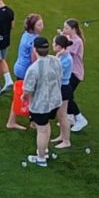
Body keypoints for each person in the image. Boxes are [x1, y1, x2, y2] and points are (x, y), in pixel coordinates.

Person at [21, 37, 62, 168]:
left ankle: (41, 158)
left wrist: (23, 97)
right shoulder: (56, 60)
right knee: (46, 126)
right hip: (55, 101)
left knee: (42, 130)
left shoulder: (33, 68)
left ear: (34, 49)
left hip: (41, 105)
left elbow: (27, 89)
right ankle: (45, 150)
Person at [8, 13, 43, 130]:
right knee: (25, 95)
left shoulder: (26, 35)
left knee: (24, 95)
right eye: (39, 24)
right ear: (32, 27)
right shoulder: (35, 39)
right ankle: (17, 121)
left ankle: (31, 120)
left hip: (19, 67)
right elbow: (34, 59)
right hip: (25, 71)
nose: (42, 26)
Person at [62, 18, 88, 132]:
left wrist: (60, 40)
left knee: (67, 96)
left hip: (75, 73)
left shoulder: (77, 41)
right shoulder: (70, 38)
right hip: (70, 72)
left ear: (73, 29)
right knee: (67, 95)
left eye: (66, 28)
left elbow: (65, 50)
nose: (64, 30)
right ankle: (70, 117)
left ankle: (79, 118)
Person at [51, 35, 74, 149]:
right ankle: (62, 136)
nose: (52, 45)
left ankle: (66, 140)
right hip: (60, 87)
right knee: (59, 115)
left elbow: (55, 70)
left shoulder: (66, 59)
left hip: (63, 88)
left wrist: (57, 56)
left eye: (54, 43)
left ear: (59, 46)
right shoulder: (62, 56)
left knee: (63, 116)